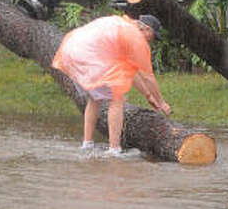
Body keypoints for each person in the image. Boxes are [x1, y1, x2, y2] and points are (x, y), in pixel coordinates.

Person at [52, 14, 171, 155]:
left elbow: (131, 72)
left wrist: (148, 95)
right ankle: (114, 149)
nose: (151, 40)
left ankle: (87, 143)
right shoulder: (136, 38)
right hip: (90, 54)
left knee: (94, 98)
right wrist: (162, 103)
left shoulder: (121, 25)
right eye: (153, 36)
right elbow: (148, 76)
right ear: (146, 29)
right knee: (117, 99)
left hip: (70, 50)